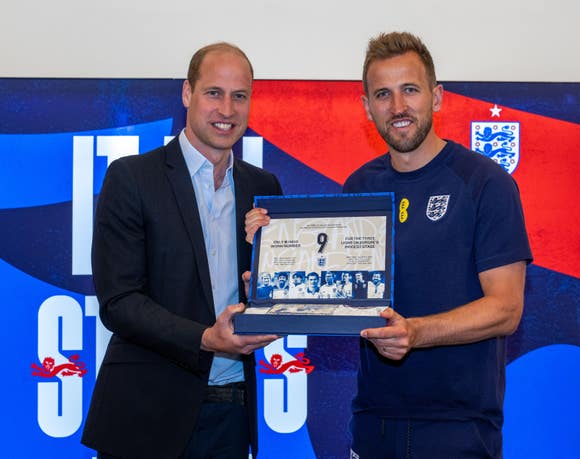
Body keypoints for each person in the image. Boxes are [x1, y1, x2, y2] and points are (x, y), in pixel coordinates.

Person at [244, 31, 532, 459]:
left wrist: (416, 332)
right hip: (374, 422)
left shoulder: (485, 183)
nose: (398, 107)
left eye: (409, 90)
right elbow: (339, 292)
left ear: (436, 96)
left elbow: (506, 309)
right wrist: (274, 275)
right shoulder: (360, 187)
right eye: (383, 94)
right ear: (366, 107)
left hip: (457, 427)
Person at [81, 42, 282, 459]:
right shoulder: (133, 178)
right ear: (188, 94)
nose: (226, 109)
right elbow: (118, 301)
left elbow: (267, 297)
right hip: (144, 415)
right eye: (214, 93)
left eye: (239, 96)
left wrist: (266, 282)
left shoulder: (263, 188)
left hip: (230, 411)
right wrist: (206, 338)